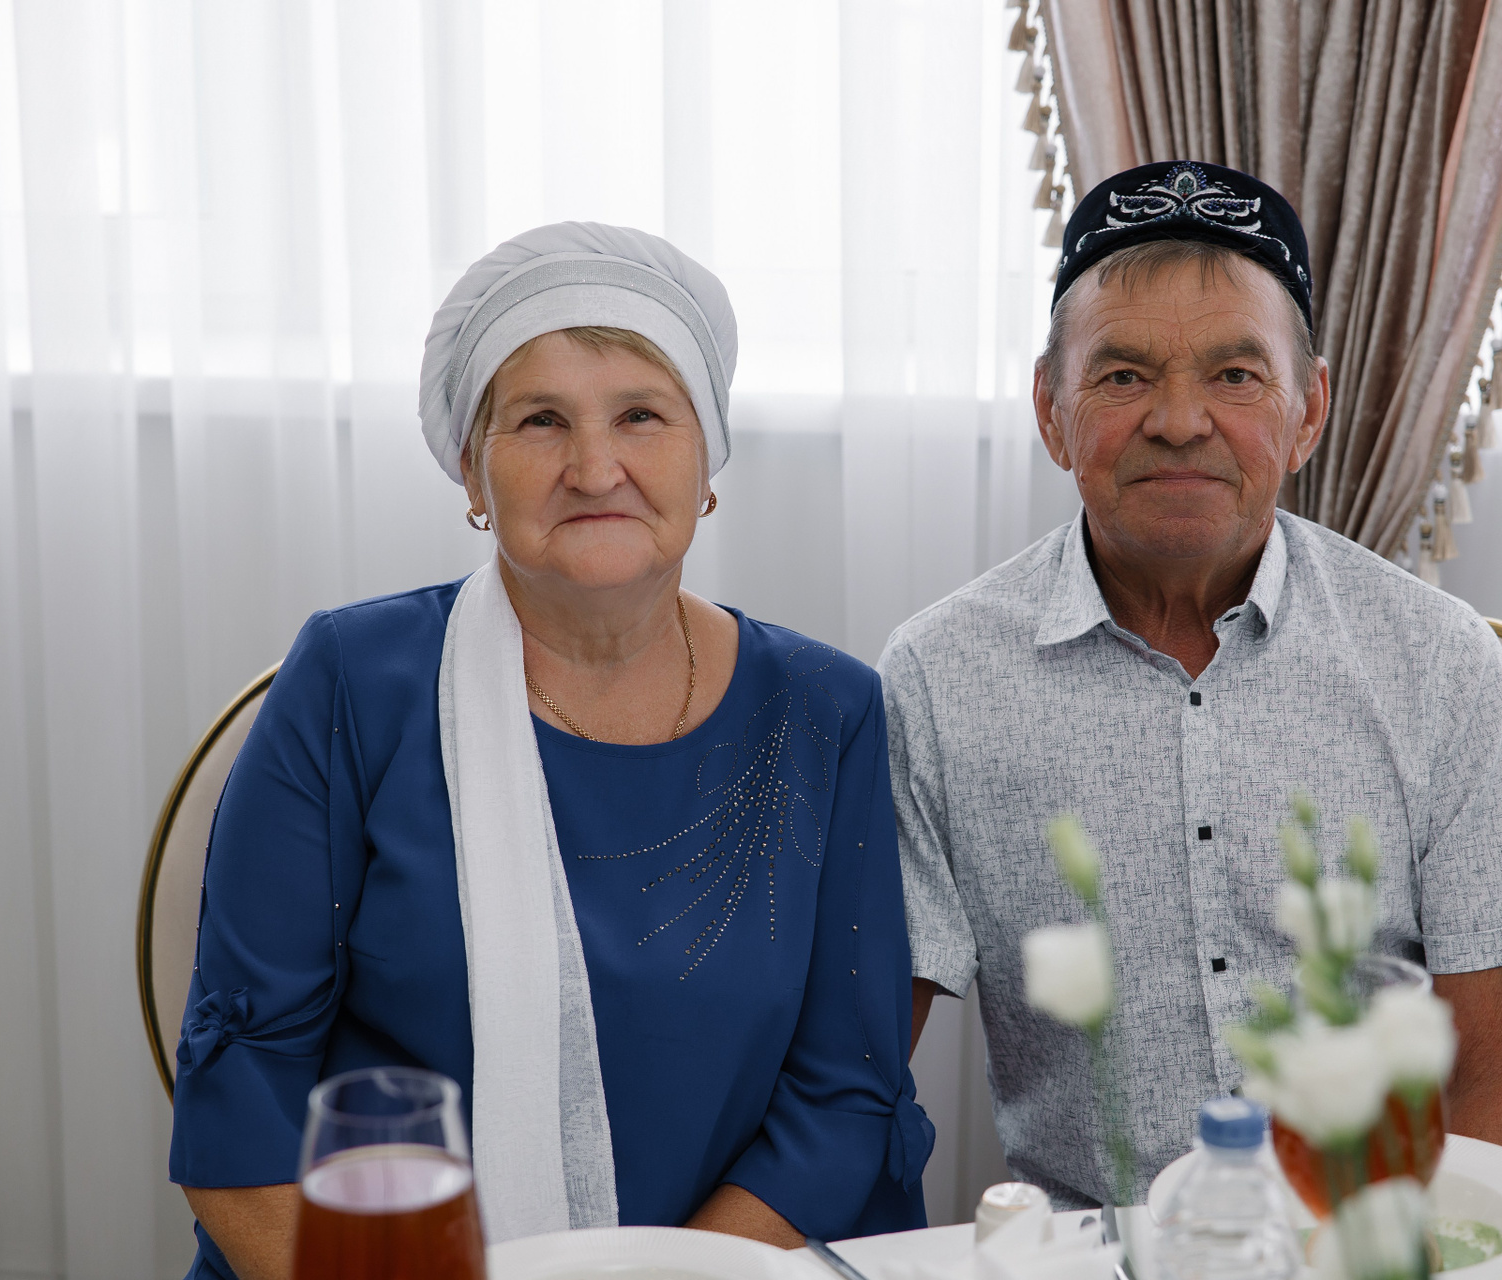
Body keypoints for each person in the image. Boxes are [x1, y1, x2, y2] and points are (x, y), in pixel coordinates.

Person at [169, 222, 931, 1280]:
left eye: (641, 415)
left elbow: (843, 1096)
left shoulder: (829, 710)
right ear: (473, 474)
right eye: (540, 420)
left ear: (707, 459)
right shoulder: (350, 681)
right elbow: (242, 1091)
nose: (595, 467)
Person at [880, 162, 1502, 1209]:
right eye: (1122, 376)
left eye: (1235, 374)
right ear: (1050, 409)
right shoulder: (937, 679)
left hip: (1409, 1238)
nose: (1180, 420)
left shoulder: (1435, 658)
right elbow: (859, 1073)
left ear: (1308, 410)